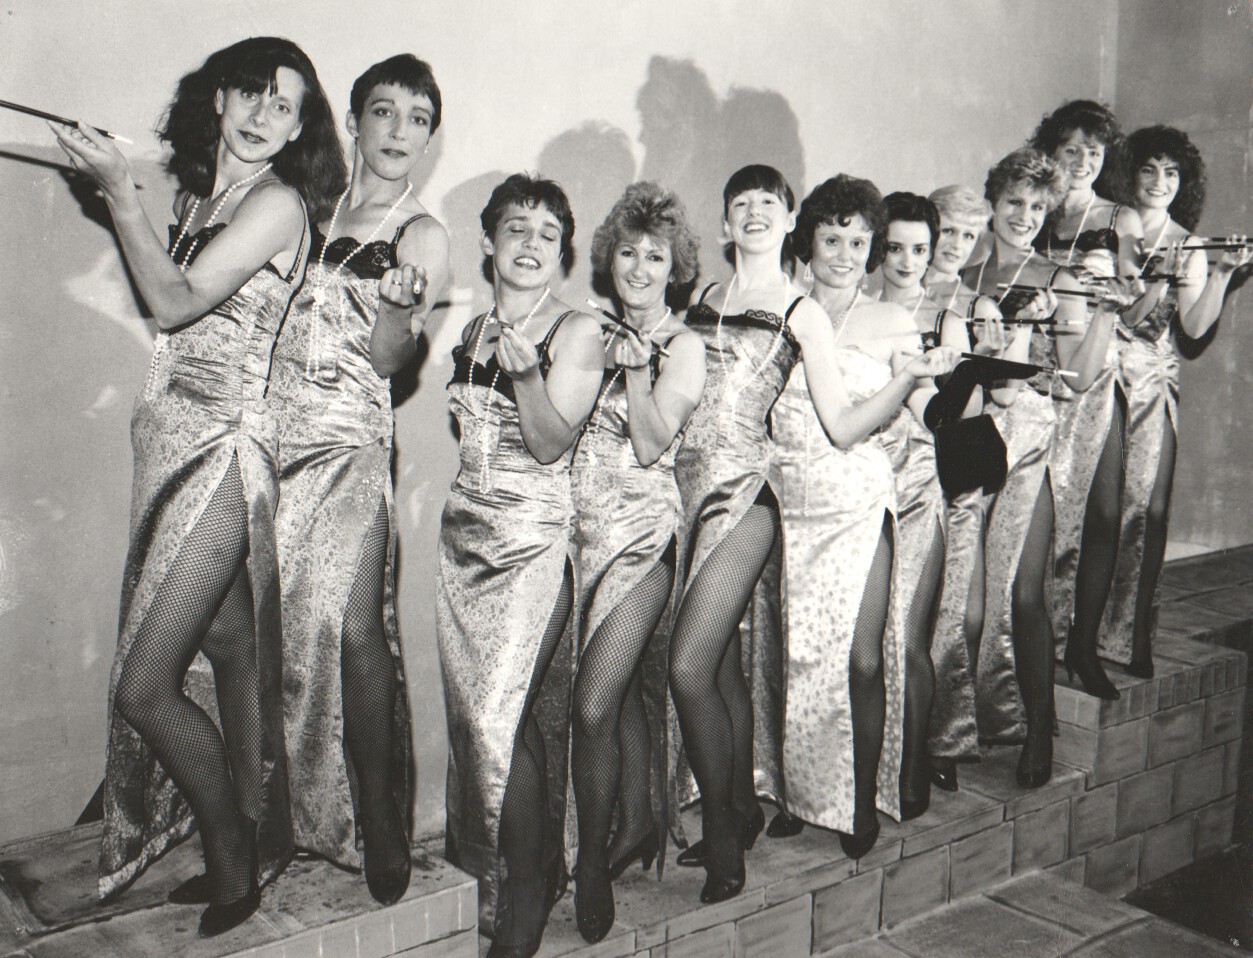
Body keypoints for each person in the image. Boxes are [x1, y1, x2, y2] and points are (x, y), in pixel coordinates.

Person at [51, 37, 344, 936]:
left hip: (222, 453)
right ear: (216, 99)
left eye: (284, 106)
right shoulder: (203, 200)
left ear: (297, 130)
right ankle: (262, 831)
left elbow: (175, 303)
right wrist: (119, 194)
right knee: (231, 651)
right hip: (169, 448)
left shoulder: (278, 203)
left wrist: (117, 194)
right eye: (250, 92)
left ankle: (232, 861)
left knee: (143, 687)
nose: (262, 114)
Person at [269, 54, 449, 904]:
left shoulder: (422, 234)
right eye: (384, 111)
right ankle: (274, 820)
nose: (399, 131)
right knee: (273, 635)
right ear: (353, 120)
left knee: (352, 631)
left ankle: (381, 823)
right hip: (270, 441)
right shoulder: (307, 207)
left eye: (418, 119)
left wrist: (396, 311)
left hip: (347, 448)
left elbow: (387, 360)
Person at [436, 174, 603, 957]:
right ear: (488, 242)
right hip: (463, 542)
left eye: (547, 233)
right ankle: (531, 866)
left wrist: (528, 375)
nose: (530, 244)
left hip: (531, 545)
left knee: (496, 722)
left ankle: (529, 886)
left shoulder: (577, 330)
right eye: (515, 228)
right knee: (500, 721)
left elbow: (548, 443)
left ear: (563, 250)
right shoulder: (475, 329)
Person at [774, 175, 956, 860]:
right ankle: (799, 793)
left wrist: (954, 386)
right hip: (789, 500)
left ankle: (855, 802)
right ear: (808, 242)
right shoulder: (783, 313)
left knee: (859, 657)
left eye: (858, 242)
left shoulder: (889, 320)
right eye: (832, 239)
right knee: (795, 657)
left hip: (858, 499)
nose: (845, 255)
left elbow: (925, 407)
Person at [963, 148, 1129, 787]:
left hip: (1028, 441)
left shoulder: (1059, 278)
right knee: (964, 596)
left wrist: (1106, 313)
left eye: (1038, 206)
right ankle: (957, 728)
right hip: (966, 436)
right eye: (1015, 202)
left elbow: (1080, 376)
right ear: (993, 203)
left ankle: (1038, 729)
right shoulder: (963, 274)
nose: (1025, 216)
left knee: (1024, 591)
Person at [569, 182, 705, 942]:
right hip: (574, 535)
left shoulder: (683, 345)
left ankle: (591, 864)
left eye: (656, 256)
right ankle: (637, 822)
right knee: (613, 697)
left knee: (594, 704)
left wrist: (633, 370)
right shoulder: (584, 328)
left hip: (642, 539)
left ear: (673, 266)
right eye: (628, 252)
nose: (639, 268)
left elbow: (653, 444)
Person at [1108, 127, 1251, 675]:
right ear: (1131, 173)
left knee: (1147, 511)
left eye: (1171, 173)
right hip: (1095, 384)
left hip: (1149, 389)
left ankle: (1130, 636)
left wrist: (1221, 275)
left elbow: (1192, 327)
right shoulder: (1106, 227)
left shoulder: (1186, 243)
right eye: (1149, 169)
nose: (1159, 182)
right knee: (1091, 514)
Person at [1030, 100, 1144, 700]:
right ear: (1051, 151)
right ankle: (1035, 640)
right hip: (1036, 379)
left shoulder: (1120, 217)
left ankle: (1083, 645)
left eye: (1093, 151)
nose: (1081, 161)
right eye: (1071, 149)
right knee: (1042, 518)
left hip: (1096, 376)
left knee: (1102, 514)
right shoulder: (1032, 209)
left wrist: (1132, 289)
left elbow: (1138, 301)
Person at [877, 191, 961, 818]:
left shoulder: (946, 321)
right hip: (864, 490)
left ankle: (913, 770)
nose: (908, 261)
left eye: (920, 249)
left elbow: (957, 417)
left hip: (920, 486)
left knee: (908, 639)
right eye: (896, 248)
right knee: (867, 643)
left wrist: (957, 375)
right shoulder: (859, 314)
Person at [922, 185, 1005, 793]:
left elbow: (992, 401)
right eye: (948, 230)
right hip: (903, 458)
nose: (956, 244)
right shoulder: (883, 292)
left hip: (958, 460)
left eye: (969, 235)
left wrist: (984, 362)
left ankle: (945, 736)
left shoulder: (979, 306)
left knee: (964, 609)